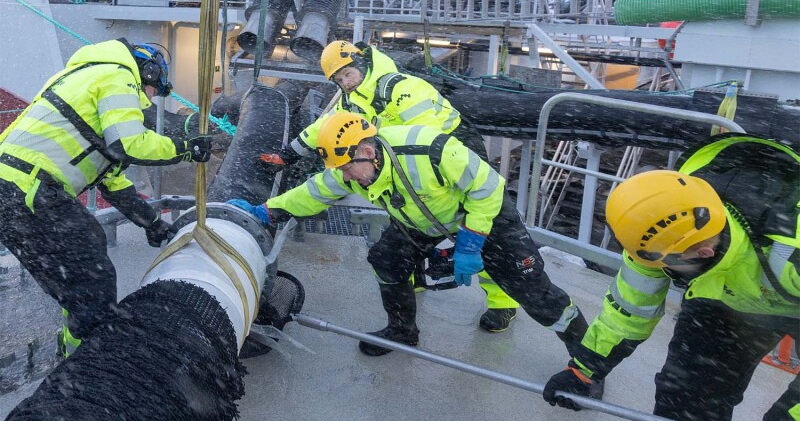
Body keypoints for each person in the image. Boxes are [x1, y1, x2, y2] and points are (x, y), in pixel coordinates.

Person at [228, 112, 601, 394]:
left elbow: (488, 188)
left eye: (350, 170)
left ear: (369, 151)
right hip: (420, 217)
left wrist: (471, 241)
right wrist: (271, 211)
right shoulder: (351, 165)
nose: (348, 179)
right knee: (387, 259)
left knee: (536, 293)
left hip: (484, 215)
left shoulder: (430, 148)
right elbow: (316, 190)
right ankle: (402, 331)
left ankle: (587, 369)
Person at [260, 39, 520, 332]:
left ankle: (502, 302)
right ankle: (411, 284)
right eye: (339, 80)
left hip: (449, 154)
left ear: (361, 64)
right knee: (406, 232)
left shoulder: (400, 88)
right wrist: (290, 154)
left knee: (484, 232)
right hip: (396, 163)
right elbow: (326, 127)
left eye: (348, 74)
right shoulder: (352, 102)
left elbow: (424, 138)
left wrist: (365, 145)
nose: (346, 82)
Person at [543, 167, 799, 421]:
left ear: (704, 252)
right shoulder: (654, 237)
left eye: (667, 266)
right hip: (726, 301)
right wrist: (585, 370)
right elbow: (629, 311)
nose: (659, 271)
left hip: (787, 294)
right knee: (682, 403)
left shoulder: (790, 258)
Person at [0, 38, 212, 356]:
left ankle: (73, 350)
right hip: (29, 190)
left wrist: (152, 223)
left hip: (15, 192)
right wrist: (185, 148)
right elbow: (129, 144)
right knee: (92, 278)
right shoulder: (116, 74)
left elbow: (113, 184)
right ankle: (85, 364)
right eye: (154, 91)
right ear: (148, 72)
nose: (149, 101)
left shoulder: (89, 83)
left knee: (76, 275)